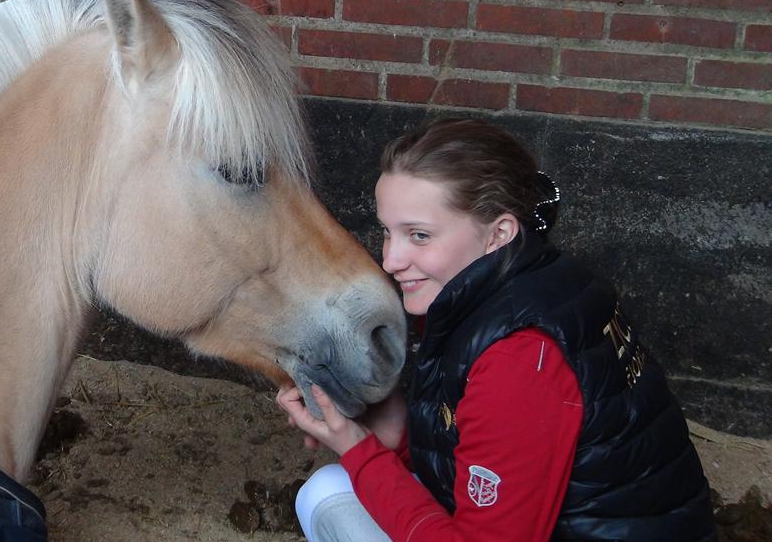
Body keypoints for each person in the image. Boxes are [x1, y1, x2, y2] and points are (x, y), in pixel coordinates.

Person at [276, 117, 716, 542]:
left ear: (499, 233)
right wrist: (400, 434)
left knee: (328, 496)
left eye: (420, 236)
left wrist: (358, 448)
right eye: (388, 232)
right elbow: (503, 459)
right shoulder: (538, 284)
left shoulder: (519, 357)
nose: (391, 259)